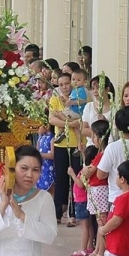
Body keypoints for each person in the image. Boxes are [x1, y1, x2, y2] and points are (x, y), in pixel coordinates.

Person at [48, 73, 82, 225]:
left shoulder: (78, 99)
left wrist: (68, 121)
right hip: (60, 144)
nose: (64, 87)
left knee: (75, 178)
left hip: (77, 144)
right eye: (61, 84)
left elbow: (81, 119)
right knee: (60, 178)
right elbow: (52, 119)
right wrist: (70, 124)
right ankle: (57, 212)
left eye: (67, 83)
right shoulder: (55, 99)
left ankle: (73, 214)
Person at [80, 120, 110, 256]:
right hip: (95, 190)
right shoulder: (99, 154)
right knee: (99, 222)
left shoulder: (103, 154)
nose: (92, 139)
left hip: (100, 190)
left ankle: (101, 252)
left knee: (102, 222)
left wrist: (86, 170)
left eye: (93, 135)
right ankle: (97, 250)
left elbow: (88, 171)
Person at [68, 146, 97, 256]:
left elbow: (80, 184)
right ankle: (90, 246)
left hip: (81, 201)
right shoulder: (90, 168)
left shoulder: (86, 171)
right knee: (89, 225)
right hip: (85, 200)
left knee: (84, 226)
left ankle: (83, 249)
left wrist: (72, 174)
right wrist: (82, 150)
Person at [36, 123, 55, 195]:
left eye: (39, 127)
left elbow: (52, 155)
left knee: (50, 189)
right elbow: (37, 150)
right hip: (42, 167)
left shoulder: (52, 138)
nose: (38, 129)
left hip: (49, 168)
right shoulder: (41, 137)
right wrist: (39, 136)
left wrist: (39, 155)